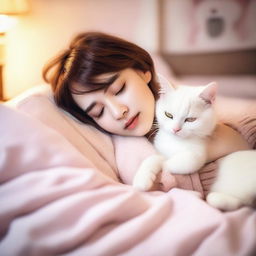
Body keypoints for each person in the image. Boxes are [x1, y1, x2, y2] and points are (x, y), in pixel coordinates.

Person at [43, 31, 250, 192]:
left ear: (144, 72)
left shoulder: (198, 110)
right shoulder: (121, 151)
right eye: (98, 111)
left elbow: (242, 135)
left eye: (119, 90)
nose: (118, 112)